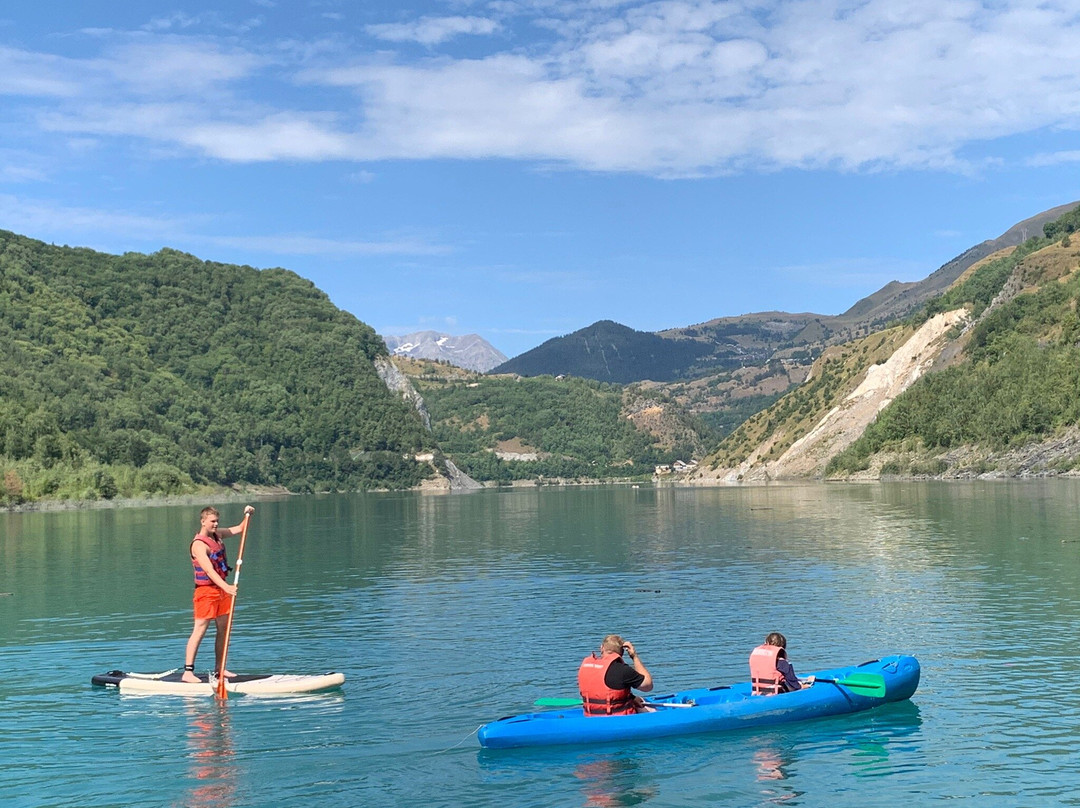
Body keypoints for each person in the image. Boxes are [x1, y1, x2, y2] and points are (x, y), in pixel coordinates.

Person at [182, 505, 254, 683]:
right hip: (206, 592)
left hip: (221, 590)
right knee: (200, 629)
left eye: (217, 521)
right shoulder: (198, 545)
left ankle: (219, 669)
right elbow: (209, 571)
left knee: (224, 629)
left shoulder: (217, 535)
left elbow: (239, 529)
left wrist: (247, 514)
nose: (215, 524)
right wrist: (227, 587)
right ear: (203, 521)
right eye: (212, 521)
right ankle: (188, 672)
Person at [577, 634, 654, 715]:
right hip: (618, 719)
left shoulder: (585, 666)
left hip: (590, 717)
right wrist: (634, 656)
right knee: (651, 710)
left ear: (601, 648)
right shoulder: (623, 670)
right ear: (622, 652)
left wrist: (632, 698)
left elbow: (602, 688)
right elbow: (648, 686)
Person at [749, 631, 813, 695]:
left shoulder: (759, 658)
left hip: (757, 692)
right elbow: (792, 681)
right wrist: (801, 686)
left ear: (766, 643)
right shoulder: (782, 662)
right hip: (775, 693)